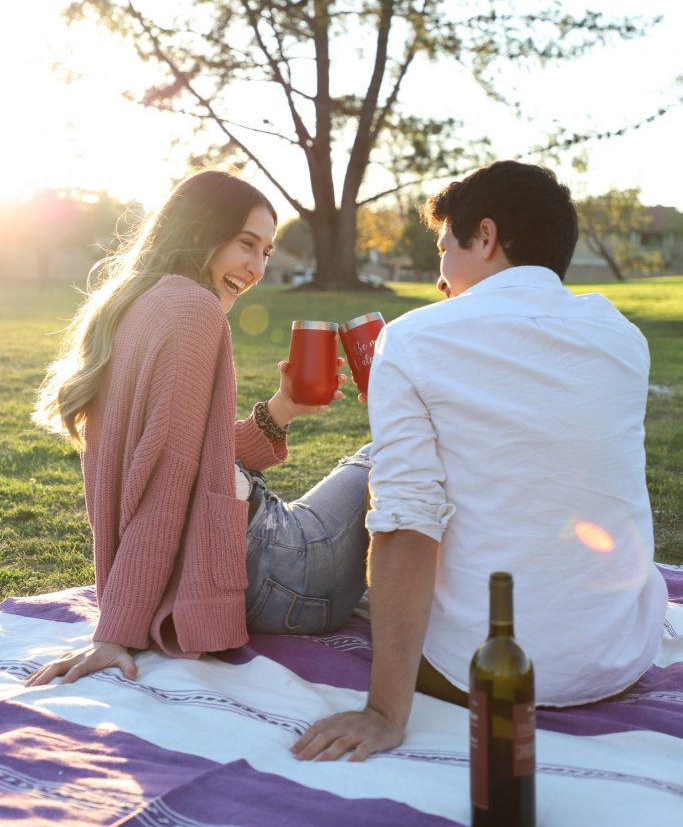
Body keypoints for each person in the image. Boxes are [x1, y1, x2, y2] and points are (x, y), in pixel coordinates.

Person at [293, 159, 668, 762]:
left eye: (446, 248)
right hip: (618, 658)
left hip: (475, 672)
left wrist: (385, 712)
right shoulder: (623, 336)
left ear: (486, 237)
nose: (442, 274)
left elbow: (407, 522)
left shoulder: (414, 337)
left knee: (380, 474)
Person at [27, 169, 371, 687]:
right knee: (387, 453)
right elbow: (166, 484)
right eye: (245, 244)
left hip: (245, 558)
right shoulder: (195, 309)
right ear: (197, 235)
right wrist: (115, 631)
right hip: (273, 575)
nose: (256, 267)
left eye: (267, 253)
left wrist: (281, 409)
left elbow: (191, 454)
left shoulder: (129, 304)